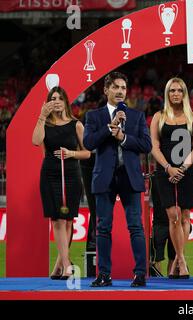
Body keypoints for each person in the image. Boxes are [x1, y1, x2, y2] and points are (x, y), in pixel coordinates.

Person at [83, 72, 151, 287]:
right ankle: (103, 274)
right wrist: (108, 128)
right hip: (104, 177)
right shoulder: (94, 117)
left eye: (123, 87)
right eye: (116, 87)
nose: (120, 91)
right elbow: (88, 143)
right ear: (106, 90)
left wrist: (123, 138)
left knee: (136, 227)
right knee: (103, 227)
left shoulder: (137, 116)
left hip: (129, 176)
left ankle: (140, 273)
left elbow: (146, 145)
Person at [32, 86, 90, 280]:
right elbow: (35, 140)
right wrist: (41, 115)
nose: (56, 101)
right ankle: (66, 265)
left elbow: (88, 152)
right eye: (52, 98)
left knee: (67, 220)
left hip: (72, 175)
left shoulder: (76, 125)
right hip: (50, 175)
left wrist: (71, 153)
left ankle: (59, 265)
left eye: (59, 98)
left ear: (66, 101)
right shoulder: (45, 124)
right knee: (57, 219)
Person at [150, 77, 193, 279]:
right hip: (165, 172)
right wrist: (168, 167)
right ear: (167, 93)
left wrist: (181, 168)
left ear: (184, 94)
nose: (175, 94)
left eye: (179, 90)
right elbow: (154, 147)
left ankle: (178, 262)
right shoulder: (159, 116)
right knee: (173, 217)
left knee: (186, 216)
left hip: (186, 171)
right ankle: (181, 261)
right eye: (172, 90)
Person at [149, 174, 176, 276]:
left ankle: (170, 278)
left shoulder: (176, 176)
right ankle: (159, 279)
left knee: (173, 256)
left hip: (172, 223)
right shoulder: (153, 178)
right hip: (159, 223)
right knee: (157, 258)